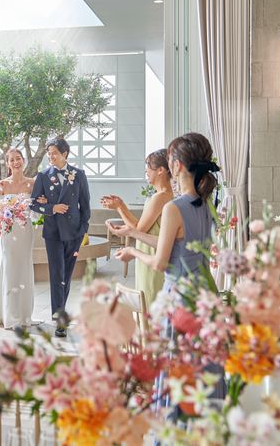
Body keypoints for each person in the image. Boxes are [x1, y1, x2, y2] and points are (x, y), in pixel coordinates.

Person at [114, 132, 225, 407]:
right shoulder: (206, 203)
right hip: (205, 294)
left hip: (180, 299)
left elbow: (160, 262)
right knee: (202, 368)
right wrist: (135, 234)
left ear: (176, 165)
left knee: (179, 368)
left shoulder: (174, 207)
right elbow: (177, 243)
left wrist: (132, 251)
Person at [30, 138, 90, 338]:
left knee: (66, 276)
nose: (50, 156)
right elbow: (33, 204)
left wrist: (83, 229)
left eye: (54, 152)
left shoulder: (79, 174)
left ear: (65, 154)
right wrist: (52, 208)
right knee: (57, 275)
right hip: (53, 233)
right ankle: (60, 320)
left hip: (74, 233)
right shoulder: (43, 176)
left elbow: (85, 205)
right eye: (49, 153)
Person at [102, 149, 173, 305]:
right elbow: (139, 227)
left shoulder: (160, 197)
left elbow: (138, 230)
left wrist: (120, 207)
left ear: (161, 170)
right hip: (153, 253)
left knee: (150, 301)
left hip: (152, 255)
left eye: (148, 166)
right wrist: (121, 206)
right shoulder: (166, 195)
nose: (146, 171)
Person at [0, 149, 36, 329]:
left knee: (23, 267)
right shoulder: (2, 185)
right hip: (8, 231)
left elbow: (36, 211)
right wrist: (3, 212)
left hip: (25, 231)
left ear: (23, 160)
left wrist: (25, 210)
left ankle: (23, 314)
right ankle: (8, 314)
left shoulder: (32, 183)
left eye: (18, 158)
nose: (16, 162)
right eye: (12, 160)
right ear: (8, 164)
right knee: (9, 267)